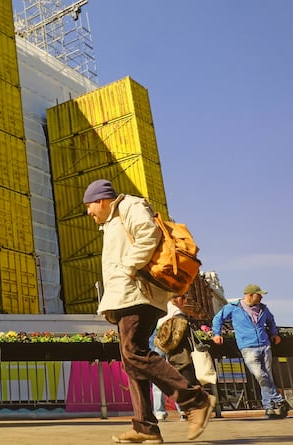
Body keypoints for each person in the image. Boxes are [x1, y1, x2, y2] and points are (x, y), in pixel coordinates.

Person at [83, 179, 215, 443]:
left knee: (134, 352)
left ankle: (195, 400)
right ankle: (145, 427)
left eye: (89, 206)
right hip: (126, 296)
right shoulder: (110, 223)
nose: (89, 213)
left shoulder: (130, 206)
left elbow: (148, 235)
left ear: (101, 200)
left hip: (138, 295)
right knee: (132, 363)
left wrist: (128, 268)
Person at [211, 284, 290, 419]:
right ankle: (279, 400)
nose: (261, 297)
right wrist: (216, 334)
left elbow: (271, 321)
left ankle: (269, 408)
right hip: (247, 346)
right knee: (260, 375)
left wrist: (274, 333)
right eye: (259, 294)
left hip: (265, 345)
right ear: (250, 295)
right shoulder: (234, 307)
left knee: (266, 376)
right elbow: (218, 318)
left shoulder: (264, 309)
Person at [151, 295, 196, 421]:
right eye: (185, 299)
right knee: (177, 377)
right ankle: (183, 410)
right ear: (179, 299)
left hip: (158, 343)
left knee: (158, 378)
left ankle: (159, 411)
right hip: (174, 347)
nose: (186, 302)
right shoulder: (177, 313)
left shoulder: (161, 307)